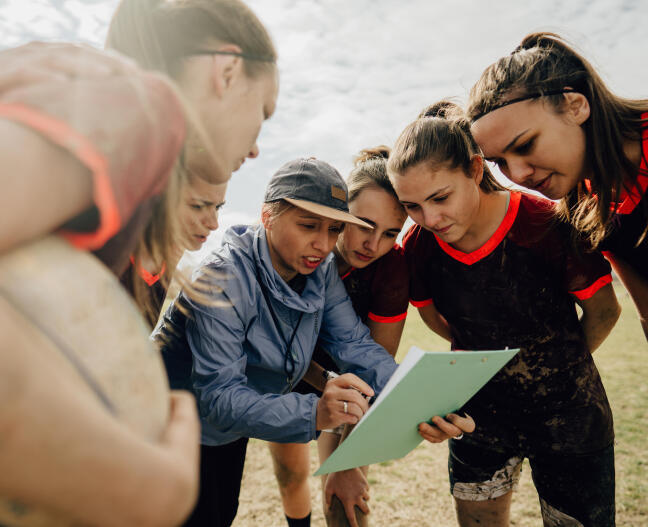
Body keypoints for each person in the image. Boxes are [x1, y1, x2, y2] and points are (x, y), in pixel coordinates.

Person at [0, 0, 278, 524]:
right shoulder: (145, 108)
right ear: (227, 69)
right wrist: (142, 489)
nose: (257, 148)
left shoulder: (124, 169)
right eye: (265, 109)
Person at [156, 157, 473, 527]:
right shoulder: (222, 278)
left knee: (218, 514)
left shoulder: (318, 270)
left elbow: (353, 344)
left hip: (226, 433)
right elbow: (220, 398)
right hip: (165, 428)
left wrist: (423, 398)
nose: (323, 245)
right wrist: (315, 414)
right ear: (268, 215)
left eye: (334, 229)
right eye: (308, 226)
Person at [389, 101, 621, 526]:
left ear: (475, 170)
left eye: (440, 197)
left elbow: (604, 311)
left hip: (570, 414)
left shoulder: (547, 223)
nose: (430, 218)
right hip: (479, 419)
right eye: (412, 206)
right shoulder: (418, 249)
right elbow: (436, 319)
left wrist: (556, 364)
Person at [465, 32, 648, 341]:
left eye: (525, 145)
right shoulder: (584, 204)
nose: (518, 174)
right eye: (500, 162)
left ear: (575, 106)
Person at [266, 146, 410, 527]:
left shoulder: (391, 269)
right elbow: (274, 352)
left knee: (345, 496)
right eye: (363, 224)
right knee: (292, 475)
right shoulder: (299, 255)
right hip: (288, 378)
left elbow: (372, 368)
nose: (373, 244)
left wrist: (348, 459)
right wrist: (322, 381)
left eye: (390, 233)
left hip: (351, 390)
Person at [122, 173, 228, 326]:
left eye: (218, 207)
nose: (214, 224)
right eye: (198, 206)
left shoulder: (169, 259)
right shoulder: (109, 255)